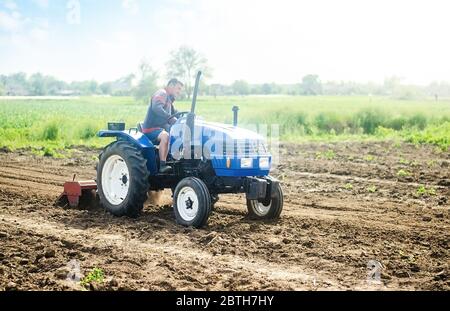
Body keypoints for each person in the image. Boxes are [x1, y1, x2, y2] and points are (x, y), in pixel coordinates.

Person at [142, 78, 183, 173]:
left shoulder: (169, 99)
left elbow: (174, 113)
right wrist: (170, 118)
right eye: (178, 88)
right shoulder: (162, 93)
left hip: (160, 129)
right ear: (171, 86)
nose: (179, 92)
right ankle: (162, 165)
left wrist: (184, 117)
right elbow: (156, 107)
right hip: (151, 129)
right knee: (166, 136)